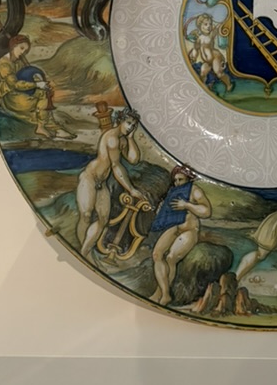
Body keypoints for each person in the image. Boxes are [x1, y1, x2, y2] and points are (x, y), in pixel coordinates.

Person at [76, 108, 145, 258]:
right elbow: (115, 166)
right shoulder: (112, 138)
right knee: (86, 215)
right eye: (128, 123)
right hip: (90, 178)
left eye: (133, 125)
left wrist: (131, 138)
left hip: (101, 184)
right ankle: (81, 250)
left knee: (102, 220)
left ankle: (84, 252)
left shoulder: (122, 140)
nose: (130, 127)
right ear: (120, 120)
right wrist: (131, 189)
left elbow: (134, 160)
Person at [149, 167, 212, 306]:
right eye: (175, 180)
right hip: (174, 226)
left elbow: (206, 211)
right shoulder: (173, 191)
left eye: (180, 180)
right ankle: (163, 293)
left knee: (171, 258)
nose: (177, 183)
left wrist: (187, 205)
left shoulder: (194, 190)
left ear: (188, 179)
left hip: (189, 230)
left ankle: (162, 294)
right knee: (157, 254)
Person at [0, 34, 72, 139]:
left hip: (23, 91)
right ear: (13, 46)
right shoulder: (4, 64)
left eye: (25, 50)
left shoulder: (19, 61)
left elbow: (27, 76)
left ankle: (44, 128)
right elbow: (15, 84)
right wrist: (37, 84)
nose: (23, 52)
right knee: (40, 103)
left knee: (45, 95)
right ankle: (52, 128)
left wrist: (40, 81)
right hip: (10, 96)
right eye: (21, 48)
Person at [187, 13, 234, 92]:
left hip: (216, 57)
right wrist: (194, 56)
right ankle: (203, 87)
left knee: (219, 73)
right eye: (206, 24)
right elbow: (196, 48)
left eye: (210, 24)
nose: (209, 26)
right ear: (199, 26)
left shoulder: (211, 35)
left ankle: (229, 85)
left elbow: (218, 27)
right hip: (207, 61)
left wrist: (225, 21)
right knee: (203, 72)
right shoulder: (199, 38)